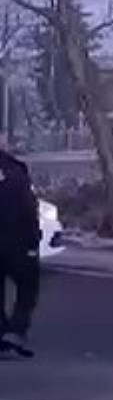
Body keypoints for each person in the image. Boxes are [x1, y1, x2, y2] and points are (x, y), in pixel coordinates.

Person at [0, 135, 41, 358]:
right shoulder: (15, 170)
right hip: (16, 241)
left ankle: (3, 333)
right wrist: (33, 239)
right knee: (28, 286)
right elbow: (28, 207)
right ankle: (16, 329)